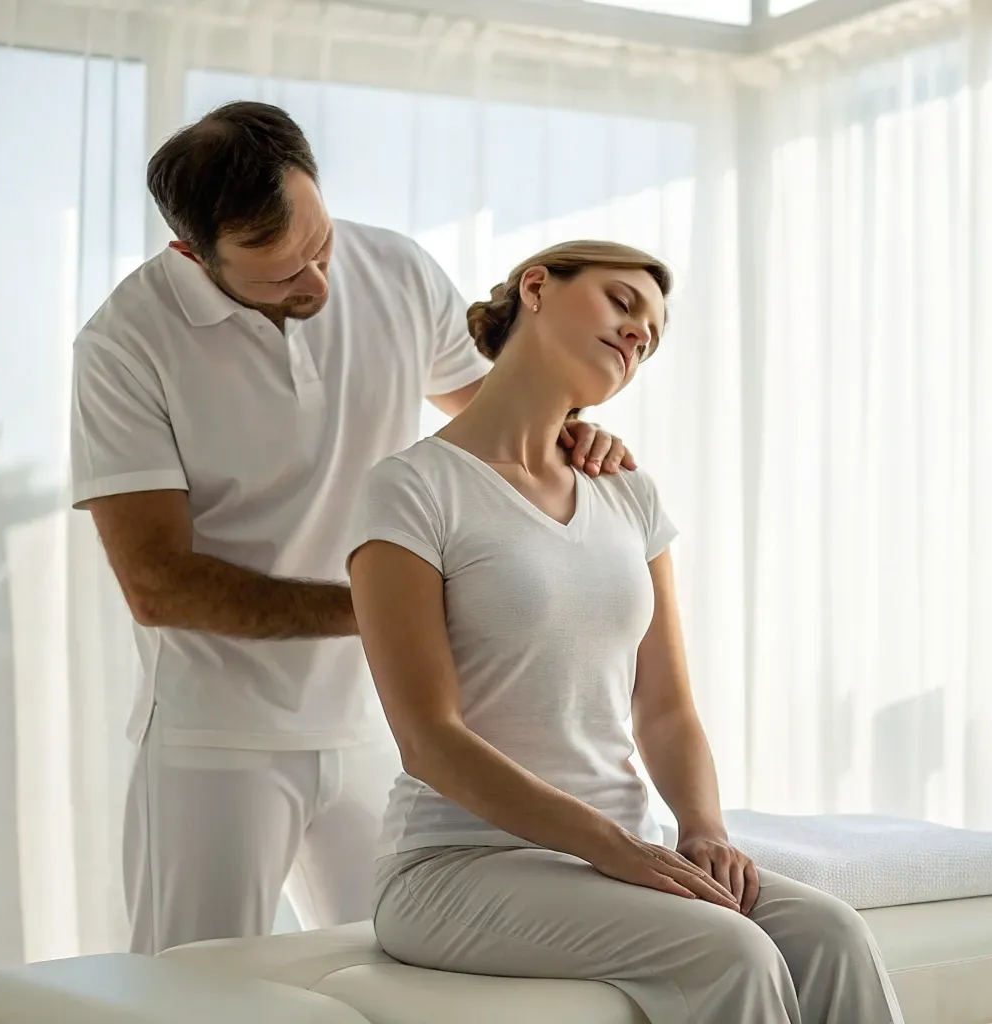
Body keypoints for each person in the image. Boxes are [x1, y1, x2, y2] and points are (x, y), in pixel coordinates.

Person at [69, 101, 638, 955]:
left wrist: (574, 433)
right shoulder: (124, 344)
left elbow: (497, 419)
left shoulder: (398, 272)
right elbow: (158, 584)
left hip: (383, 728)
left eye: (321, 245)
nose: (318, 284)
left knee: (412, 969)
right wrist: (390, 611)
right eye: (280, 276)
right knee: (190, 993)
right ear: (193, 255)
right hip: (217, 737)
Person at [348, 240, 904, 1024]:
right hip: (456, 864)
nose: (639, 333)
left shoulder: (627, 493)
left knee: (832, 935)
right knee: (731, 952)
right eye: (622, 302)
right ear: (536, 287)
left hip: (618, 856)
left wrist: (703, 830)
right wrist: (613, 847)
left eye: (652, 336)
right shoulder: (411, 488)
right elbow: (428, 739)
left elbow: (666, 709)